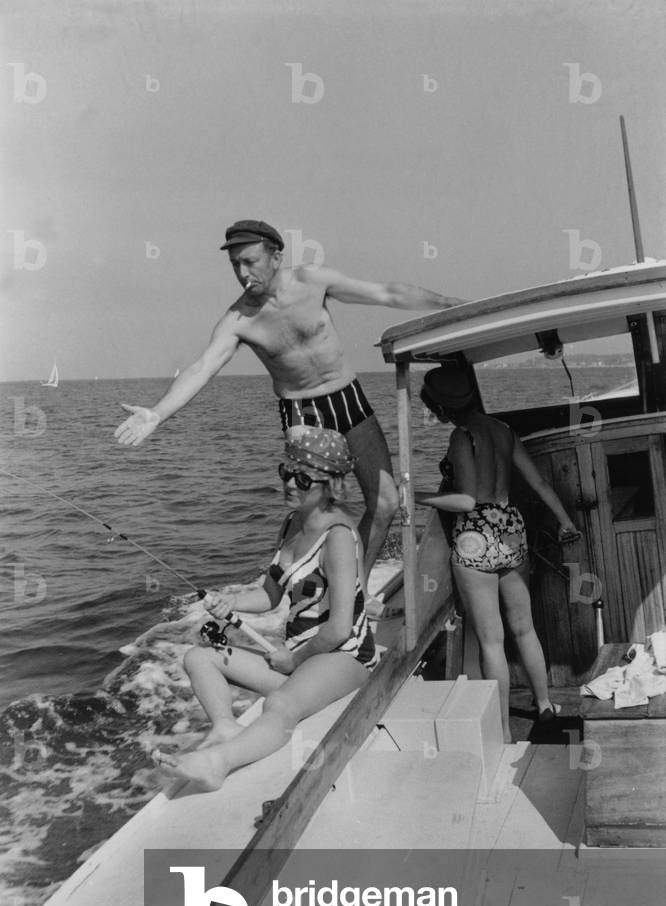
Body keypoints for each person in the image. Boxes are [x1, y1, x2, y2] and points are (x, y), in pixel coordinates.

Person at [114, 218, 464, 574]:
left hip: (347, 397)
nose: (241, 272)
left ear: (276, 257)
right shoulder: (239, 319)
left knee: (387, 501)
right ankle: (286, 585)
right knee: (314, 510)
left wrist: (449, 304)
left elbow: (387, 293)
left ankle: (353, 585)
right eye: (235, 264)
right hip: (302, 411)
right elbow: (201, 368)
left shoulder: (313, 281)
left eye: (249, 261)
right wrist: (156, 414)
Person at [153, 425, 379, 790]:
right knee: (199, 658)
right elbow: (271, 595)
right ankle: (225, 726)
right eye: (286, 473)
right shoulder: (291, 523)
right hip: (299, 658)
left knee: (280, 707)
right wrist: (230, 603)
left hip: (344, 658)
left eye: (303, 479)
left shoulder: (337, 537)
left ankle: (217, 763)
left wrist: (294, 659)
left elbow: (339, 629)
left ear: (331, 486)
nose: (290, 483)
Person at [415, 366, 580, 743]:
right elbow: (537, 481)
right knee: (525, 629)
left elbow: (466, 499)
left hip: (476, 537)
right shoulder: (503, 430)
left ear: (441, 406)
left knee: (492, 640)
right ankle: (545, 707)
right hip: (511, 531)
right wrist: (565, 521)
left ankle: (503, 732)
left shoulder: (461, 436)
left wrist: (416, 496)